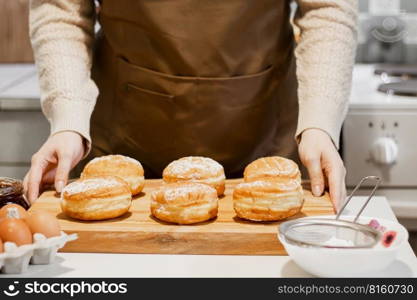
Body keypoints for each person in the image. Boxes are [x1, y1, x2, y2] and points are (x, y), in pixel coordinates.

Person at [24, 0, 358, 210]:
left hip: (265, 128)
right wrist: (68, 117)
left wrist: (319, 120)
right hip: (127, 126)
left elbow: (327, 8)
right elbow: (60, 10)